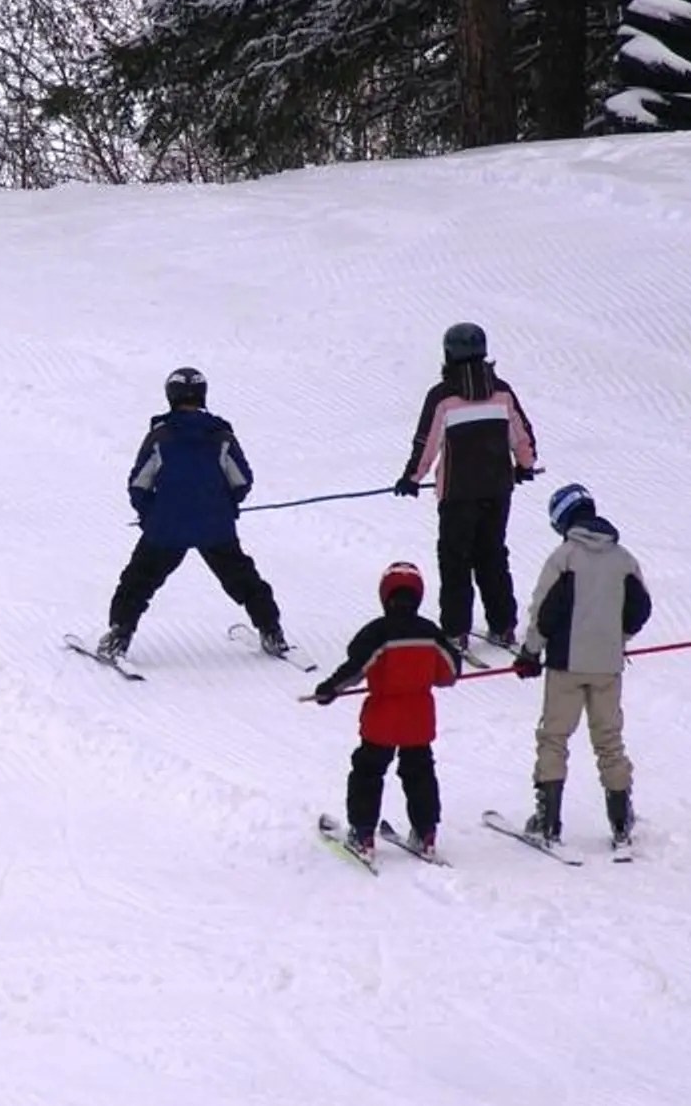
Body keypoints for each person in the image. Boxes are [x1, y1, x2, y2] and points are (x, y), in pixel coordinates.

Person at [93, 367, 288, 662]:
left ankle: (119, 635)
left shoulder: (160, 437)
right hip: (215, 526)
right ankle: (271, 630)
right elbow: (242, 481)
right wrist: (226, 506)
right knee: (242, 577)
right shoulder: (221, 436)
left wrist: (149, 515)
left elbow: (139, 485)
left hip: (166, 527)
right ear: (202, 395)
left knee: (138, 581)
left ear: (170, 396)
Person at [510, 482, 652, 848]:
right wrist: (618, 638)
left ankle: (548, 821)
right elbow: (640, 608)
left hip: (565, 665)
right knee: (609, 740)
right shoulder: (623, 559)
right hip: (607, 665)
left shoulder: (564, 558)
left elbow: (544, 611)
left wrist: (530, 652)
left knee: (554, 737)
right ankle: (620, 821)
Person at [393, 321, 540, 650]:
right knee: (492, 555)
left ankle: (456, 630)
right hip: (497, 491)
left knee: (455, 560)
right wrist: (525, 466)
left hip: (457, 495)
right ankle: (503, 626)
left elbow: (427, 442)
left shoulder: (443, 397)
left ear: (449, 354)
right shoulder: (502, 392)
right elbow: (522, 435)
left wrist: (412, 478)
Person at [312, 561, 465, 858]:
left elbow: (355, 668)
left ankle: (363, 834)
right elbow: (450, 673)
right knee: (419, 772)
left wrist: (330, 688)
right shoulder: (430, 632)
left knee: (368, 771)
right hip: (418, 720)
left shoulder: (377, 632)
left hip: (382, 719)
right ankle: (426, 833)